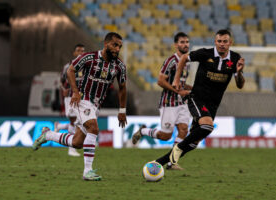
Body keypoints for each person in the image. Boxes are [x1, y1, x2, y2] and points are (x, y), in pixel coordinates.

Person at [32, 32, 127, 181]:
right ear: (106, 44)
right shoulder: (90, 58)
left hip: (95, 105)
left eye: (120, 46)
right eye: (115, 45)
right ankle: (87, 172)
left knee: (77, 143)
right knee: (94, 128)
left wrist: (122, 110)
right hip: (82, 100)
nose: (117, 49)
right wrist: (75, 92)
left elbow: (122, 87)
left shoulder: (119, 66)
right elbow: (71, 70)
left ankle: (48, 135)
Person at [155, 29, 245, 167]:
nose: (222, 44)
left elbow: (240, 85)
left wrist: (239, 73)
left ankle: (160, 162)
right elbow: (184, 58)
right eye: (219, 41)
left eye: (225, 41)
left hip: (214, 104)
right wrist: (177, 80)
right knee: (207, 126)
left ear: (230, 43)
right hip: (197, 97)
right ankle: (178, 148)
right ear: (215, 42)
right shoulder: (205, 53)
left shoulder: (235, 59)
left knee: (194, 141)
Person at [132, 32, 192, 170]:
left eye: (187, 42)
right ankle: (143, 131)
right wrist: (178, 91)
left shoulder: (187, 62)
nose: (185, 44)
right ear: (176, 45)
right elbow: (160, 81)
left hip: (182, 102)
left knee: (183, 130)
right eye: (182, 42)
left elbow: (181, 83)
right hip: (169, 103)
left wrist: (192, 89)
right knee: (166, 136)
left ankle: (172, 162)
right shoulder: (171, 61)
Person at [54, 44, 85, 157]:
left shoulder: (86, 66)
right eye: (78, 50)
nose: (81, 52)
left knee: (79, 120)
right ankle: (71, 149)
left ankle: (60, 127)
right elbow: (62, 81)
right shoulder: (68, 66)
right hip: (70, 96)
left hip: (82, 97)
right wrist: (64, 90)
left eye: (82, 51)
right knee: (74, 120)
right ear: (74, 53)